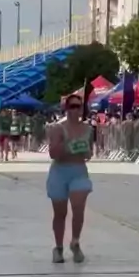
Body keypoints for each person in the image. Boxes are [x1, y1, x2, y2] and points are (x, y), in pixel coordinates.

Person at [46, 93, 93, 264]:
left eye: (78, 107)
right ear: (66, 109)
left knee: (78, 207)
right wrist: (67, 146)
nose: (75, 110)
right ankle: (58, 248)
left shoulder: (88, 129)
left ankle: (75, 242)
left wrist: (85, 150)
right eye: (72, 106)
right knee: (60, 213)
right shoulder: (58, 128)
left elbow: (89, 153)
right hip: (60, 172)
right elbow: (53, 153)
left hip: (79, 171)